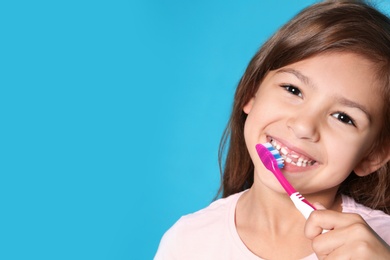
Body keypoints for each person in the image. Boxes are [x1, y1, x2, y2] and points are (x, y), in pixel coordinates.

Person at [155, 0, 390, 259]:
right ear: (251, 93)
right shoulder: (188, 240)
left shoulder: (381, 244)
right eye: (293, 90)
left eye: (343, 117)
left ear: (373, 155)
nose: (303, 126)